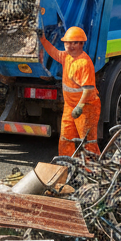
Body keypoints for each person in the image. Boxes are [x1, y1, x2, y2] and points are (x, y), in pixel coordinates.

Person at [38, 26, 101, 157]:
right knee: (66, 138)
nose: (70, 46)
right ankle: (67, 167)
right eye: (67, 43)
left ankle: (92, 171)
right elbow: (53, 52)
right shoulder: (66, 57)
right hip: (70, 106)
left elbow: (89, 90)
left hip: (86, 107)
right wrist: (42, 39)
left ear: (82, 44)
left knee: (87, 142)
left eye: (74, 43)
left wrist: (79, 106)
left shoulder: (84, 63)